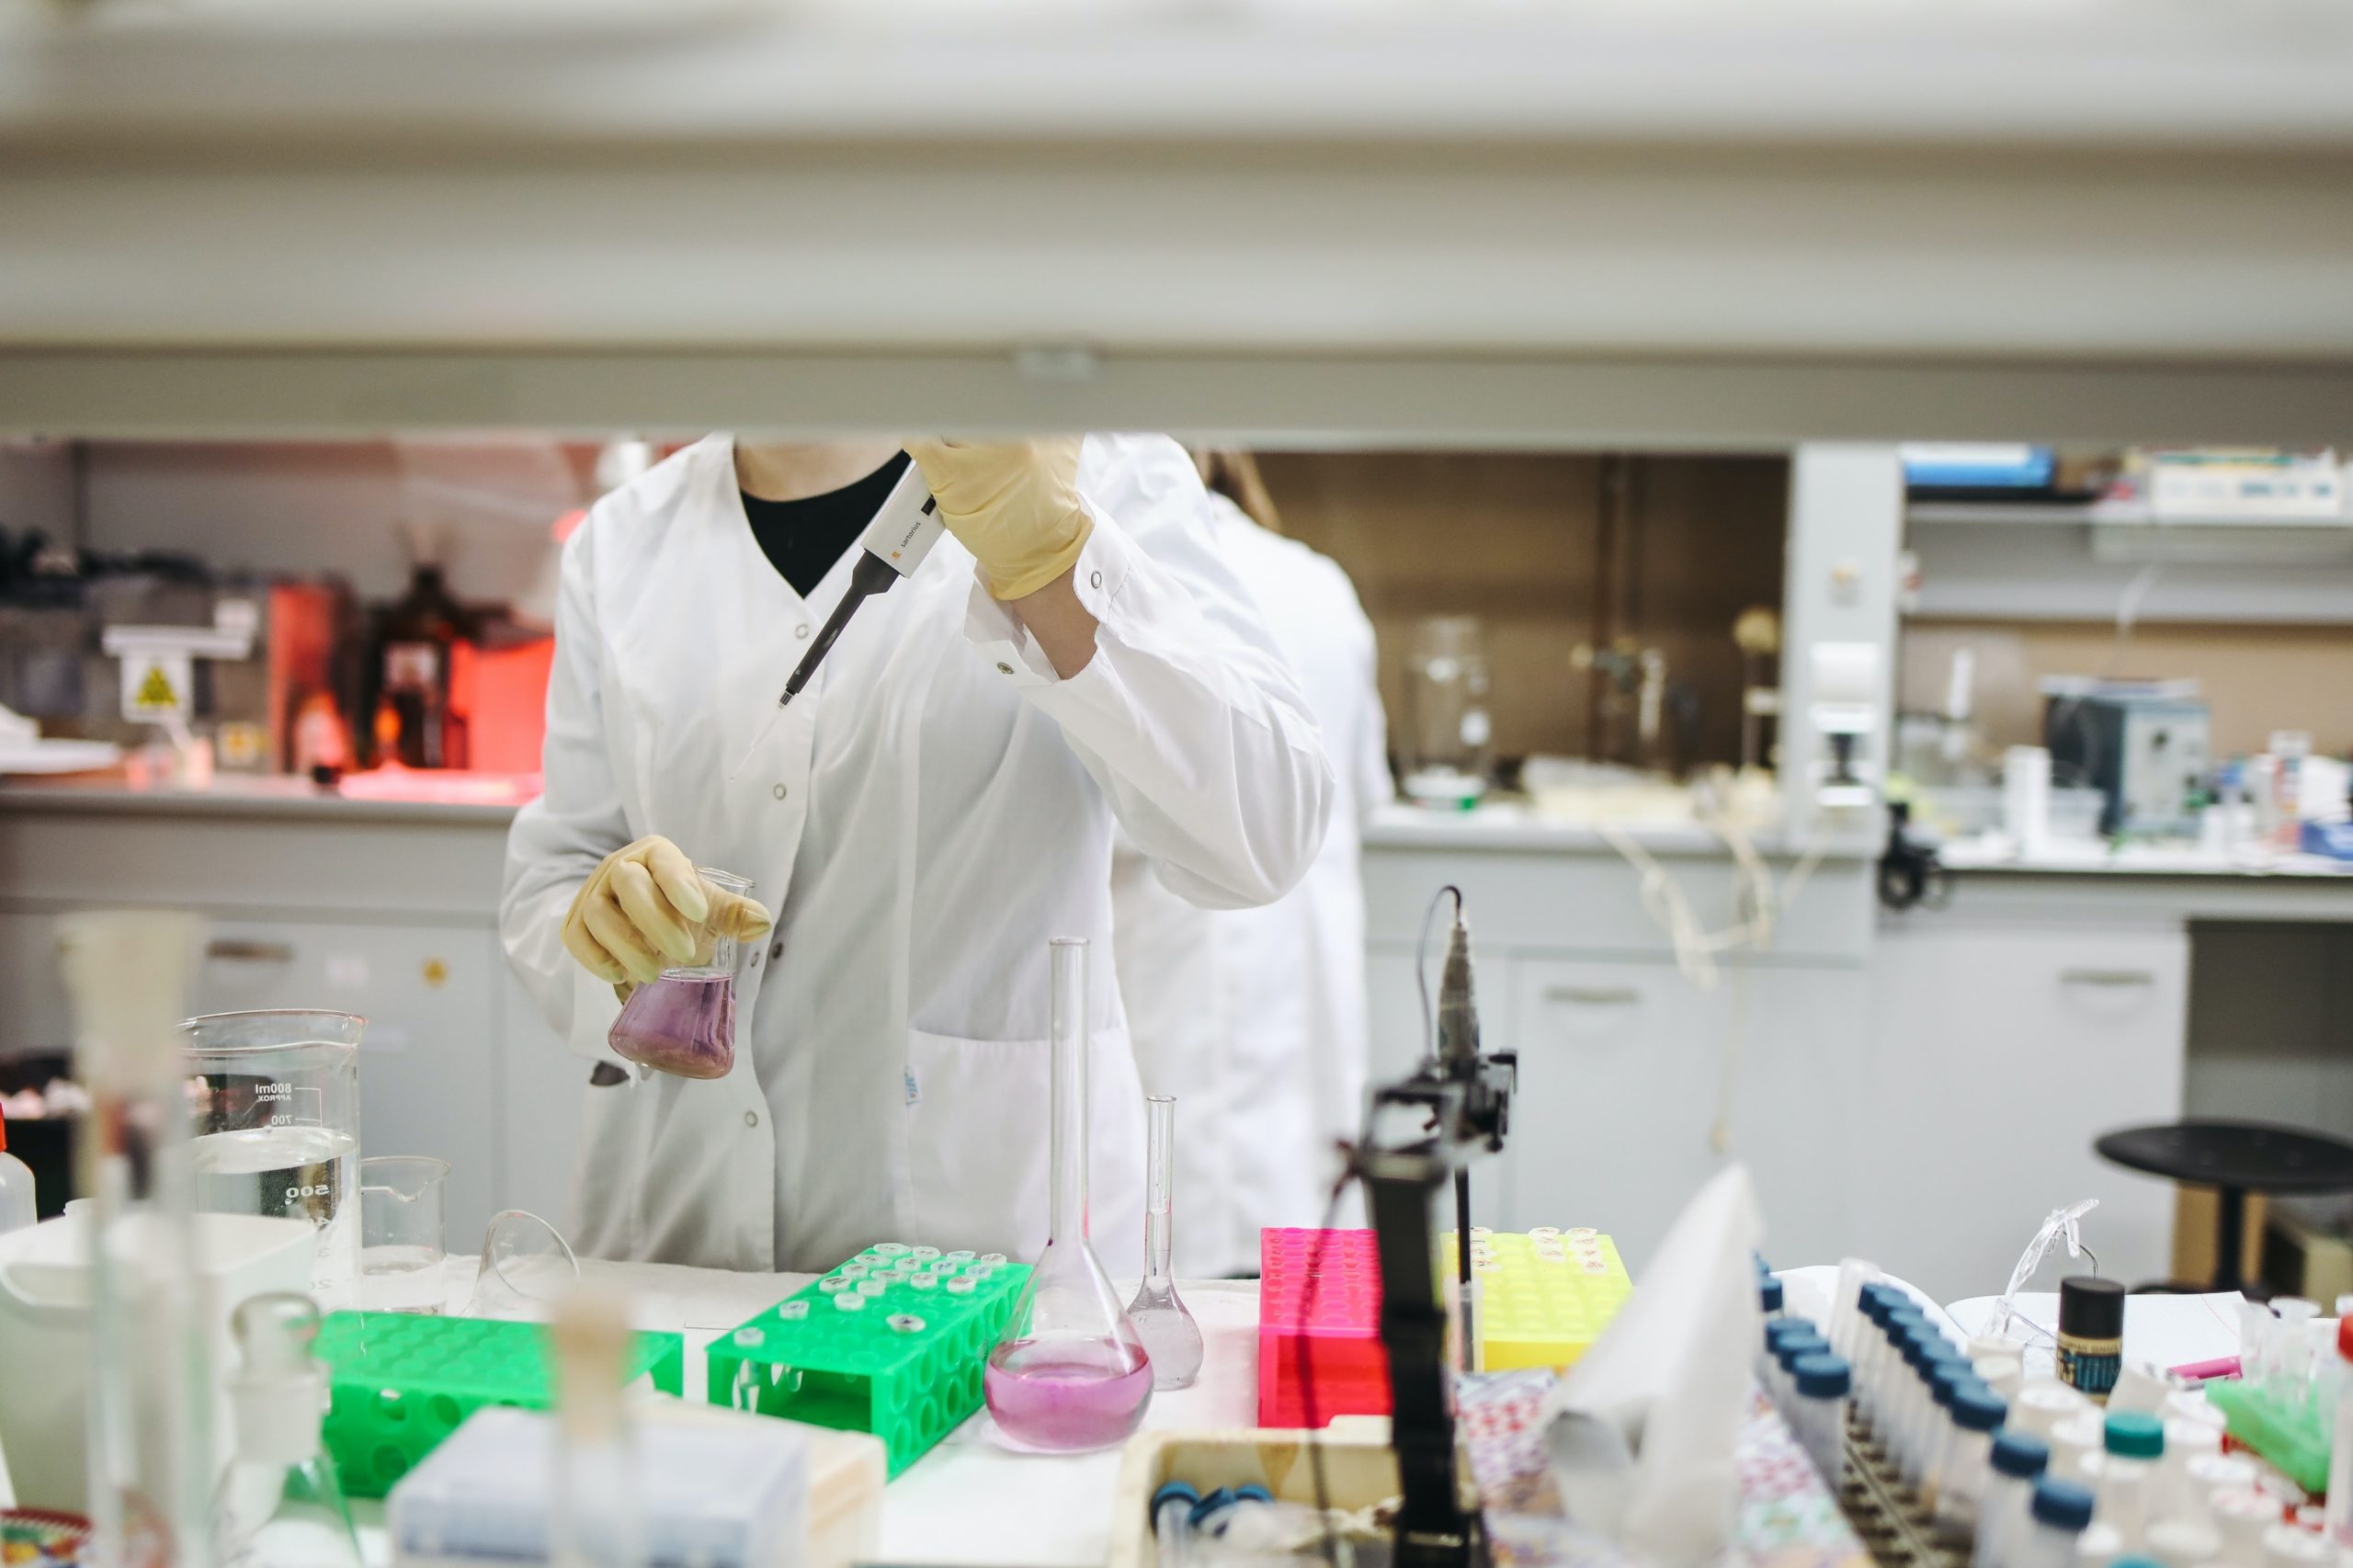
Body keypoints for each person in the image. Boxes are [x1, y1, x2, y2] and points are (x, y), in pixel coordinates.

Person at [501, 437, 1333, 1274]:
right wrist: (604, 931)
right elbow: (554, 873)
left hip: (986, 1263)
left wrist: (1056, 562)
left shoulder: (1098, 472)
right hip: (678, 1246)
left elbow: (1264, 836)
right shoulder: (623, 541)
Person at [1110, 450, 1389, 1277]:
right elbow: (1362, 799)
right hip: (1306, 1072)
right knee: (1297, 1347)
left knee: (1170, 1337)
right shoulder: (1321, 586)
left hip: (1161, 1055)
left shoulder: (1105, 578)